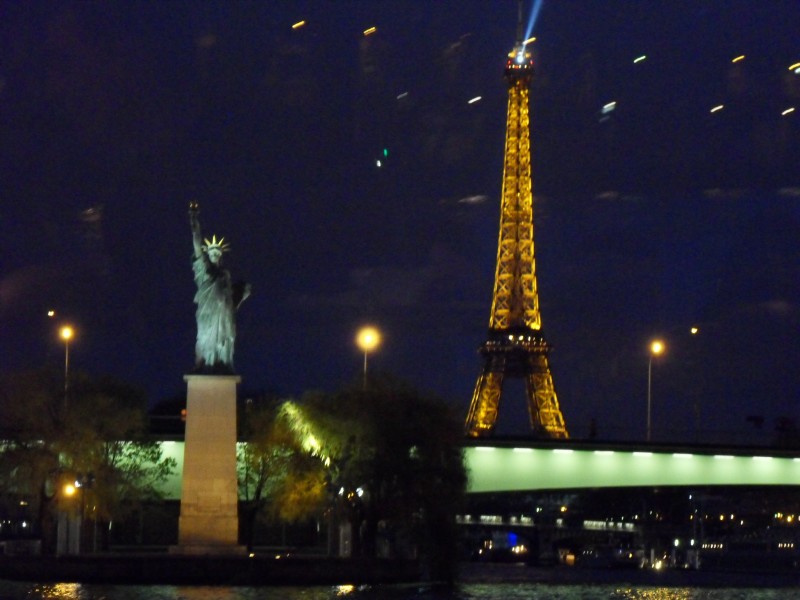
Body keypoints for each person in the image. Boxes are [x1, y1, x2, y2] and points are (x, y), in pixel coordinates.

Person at [189, 202, 251, 373]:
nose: (215, 254)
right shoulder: (203, 268)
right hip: (207, 311)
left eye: (218, 253)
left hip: (224, 313)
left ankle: (224, 363)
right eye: (212, 252)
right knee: (204, 336)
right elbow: (197, 244)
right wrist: (194, 221)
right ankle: (202, 363)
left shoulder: (225, 274)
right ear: (208, 254)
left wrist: (241, 295)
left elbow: (230, 300)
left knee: (225, 337)